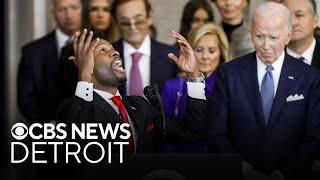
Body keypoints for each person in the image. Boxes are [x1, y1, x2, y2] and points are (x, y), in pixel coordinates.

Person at [190, 2, 320, 179]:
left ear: (288, 36)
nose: (266, 45)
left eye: (273, 38)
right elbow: (216, 133)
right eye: (259, 36)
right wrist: (245, 170)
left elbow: (313, 138)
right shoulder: (229, 74)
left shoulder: (309, 77)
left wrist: (282, 175)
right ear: (251, 32)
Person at [57, 28, 207, 154]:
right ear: (82, 64)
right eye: (103, 50)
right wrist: (84, 77)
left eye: (113, 49)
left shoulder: (140, 105)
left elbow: (191, 133)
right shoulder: (69, 109)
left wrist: (193, 76)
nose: (115, 53)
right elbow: (77, 143)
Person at [161, 23, 229, 153]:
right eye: (198, 50)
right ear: (189, 51)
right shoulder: (172, 87)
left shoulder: (229, 87)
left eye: (212, 51)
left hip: (218, 160)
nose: (205, 56)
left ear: (221, 53)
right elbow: (166, 135)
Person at [17, 0, 82, 123]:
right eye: (62, 9)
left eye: (74, 7)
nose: (69, 15)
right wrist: (49, 127)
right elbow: (26, 100)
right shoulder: (32, 51)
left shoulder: (98, 45)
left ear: (82, 9)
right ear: (53, 13)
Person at [111, 0, 178, 96]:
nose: (133, 27)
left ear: (149, 17)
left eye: (138, 20)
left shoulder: (171, 57)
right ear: (116, 22)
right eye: (125, 22)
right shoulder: (107, 57)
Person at [282, 0, 320, 70]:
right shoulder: (269, 57)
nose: (293, 22)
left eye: (299, 15)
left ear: (315, 20)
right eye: (287, 17)